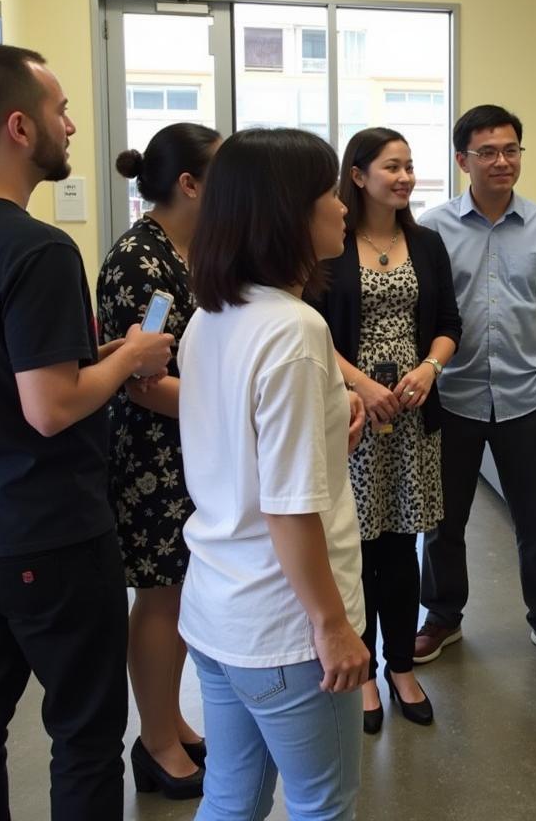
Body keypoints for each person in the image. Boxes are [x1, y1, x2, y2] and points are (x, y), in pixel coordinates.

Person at [0, 45, 173, 820]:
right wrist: (129, 353)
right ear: (21, 126)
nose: (71, 125)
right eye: (60, 111)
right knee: (86, 731)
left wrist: (86, 358)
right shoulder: (36, 248)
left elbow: (14, 373)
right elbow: (51, 407)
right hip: (48, 532)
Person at [178, 128, 369, 821]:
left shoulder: (214, 314)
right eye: (327, 193)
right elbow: (287, 506)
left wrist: (326, 428)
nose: (343, 205)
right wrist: (332, 623)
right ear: (287, 212)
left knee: (231, 796)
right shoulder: (295, 330)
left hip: (219, 609)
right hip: (285, 626)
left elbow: (251, 459)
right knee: (325, 804)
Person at [414, 103, 536, 672]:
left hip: (527, 396)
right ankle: (442, 617)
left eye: (510, 149)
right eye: (486, 152)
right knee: (444, 520)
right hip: (454, 395)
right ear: (463, 160)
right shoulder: (432, 227)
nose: (501, 161)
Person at [307, 127, 461, 733]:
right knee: (356, 551)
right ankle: (364, 673)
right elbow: (313, 329)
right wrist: (361, 387)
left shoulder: (426, 244)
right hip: (350, 418)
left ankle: (401, 665)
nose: (404, 177)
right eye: (392, 167)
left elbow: (449, 323)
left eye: (409, 166)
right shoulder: (328, 244)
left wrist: (430, 367)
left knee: (403, 549)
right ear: (358, 174)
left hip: (413, 417)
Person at [96, 122, 221, 798]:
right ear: (189, 184)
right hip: (154, 453)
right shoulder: (139, 260)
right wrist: (227, 410)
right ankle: (154, 741)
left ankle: (172, 718)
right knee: (161, 596)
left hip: (193, 445)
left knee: (180, 592)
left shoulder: (194, 248)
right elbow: (142, 381)